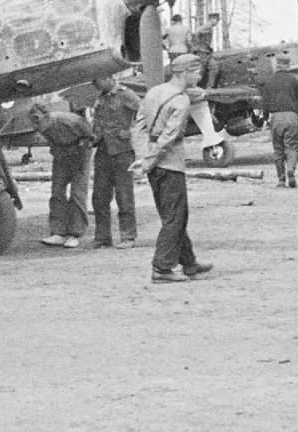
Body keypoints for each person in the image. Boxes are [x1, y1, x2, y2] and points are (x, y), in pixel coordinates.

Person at [133, 54, 213, 284]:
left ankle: (189, 263)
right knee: (176, 217)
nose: (199, 76)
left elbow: (138, 126)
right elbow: (170, 136)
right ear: (184, 73)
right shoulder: (181, 101)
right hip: (170, 163)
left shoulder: (154, 92)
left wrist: (142, 157)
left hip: (153, 163)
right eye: (196, 71)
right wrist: (149, 160)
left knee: (172, 215)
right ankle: (162, 268)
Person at [30, 102, 95, 249]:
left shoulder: (70, 121)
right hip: (60, 155)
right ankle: (58, 232)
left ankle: (75, 234)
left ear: (46, 116)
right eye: (33, 121)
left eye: (37, 119)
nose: (35, 125)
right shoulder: (41, 126)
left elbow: (90, 135)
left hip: (80, 154)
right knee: (57, 192)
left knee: (77, 194)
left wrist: (81, 151)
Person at [89, 74, 141, 249]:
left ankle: (128, 236)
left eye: (97, 80)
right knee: (99, 197)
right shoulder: (100, 98)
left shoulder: (126, 94)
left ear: (108, 77)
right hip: (103, 151)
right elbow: (97, 123)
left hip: (122, 152)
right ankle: (103, 237)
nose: (96, 85)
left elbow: (145, 114)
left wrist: (132, 132)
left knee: (124, 196)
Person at [260, 53, 298, 188]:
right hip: (292, 116)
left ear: (277, 65)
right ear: (287, 66)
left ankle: (281, 180)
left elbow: (265, 103)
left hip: (276, 117)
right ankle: (291, 169)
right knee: (292, 147)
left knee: (278, 150)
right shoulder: (293, 80)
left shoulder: (269, 81)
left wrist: (264, 117)